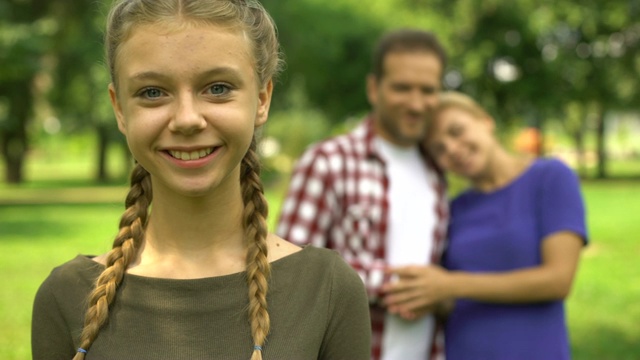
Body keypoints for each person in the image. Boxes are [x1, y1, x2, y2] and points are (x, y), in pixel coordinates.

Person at [31, 1, 371, 359]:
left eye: (218, 88)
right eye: (152, 92)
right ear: (119, 108)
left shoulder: (326, 289)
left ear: (261, 99)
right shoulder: (66, 297)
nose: (187, 119)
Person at [277, 29, 449, 360]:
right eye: (402, 88)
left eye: (428, 90)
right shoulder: (328, 161)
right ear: (374, 88)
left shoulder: (436, 173)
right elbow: (288, 271)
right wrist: (396, 284)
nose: (416, 103)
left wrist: (442, 291)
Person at [393, 91, 587, 359]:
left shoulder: (550, 178)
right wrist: (423, 297)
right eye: (439, 149)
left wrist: (450, 284)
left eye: (457, 131)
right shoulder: (453, 209)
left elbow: (557, 280)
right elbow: (448, 298)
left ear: (485, 121)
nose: (453, 149)